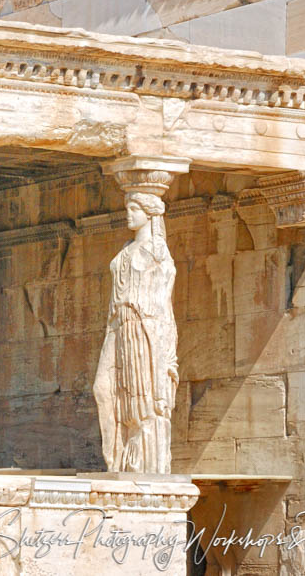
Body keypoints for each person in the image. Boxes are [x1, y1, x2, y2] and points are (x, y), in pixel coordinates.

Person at [94, 191, 179, 474]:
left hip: (145, 328)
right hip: (119, 325)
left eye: (134, 209)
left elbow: (163, 297)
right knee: (103, 389)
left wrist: (163, 344)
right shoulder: (125, 250)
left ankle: (144, 465)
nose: (128, 214)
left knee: (143, 399)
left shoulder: (157, 251)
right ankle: (116, 458)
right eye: (127, 208)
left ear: (150, 214)